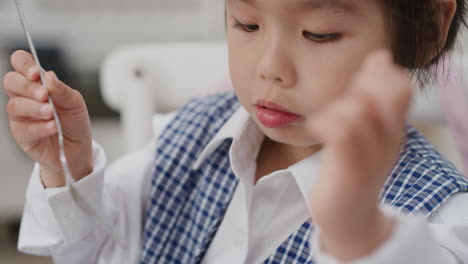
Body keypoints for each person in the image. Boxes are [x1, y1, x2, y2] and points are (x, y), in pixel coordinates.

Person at [3, 0, 468, 263]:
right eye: (246, 23)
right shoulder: (188, 138)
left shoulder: (444, 216)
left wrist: (359, 232)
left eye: (319, 34)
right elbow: (97, 247)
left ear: (427, 28)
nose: (271, 69)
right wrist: (70, 163)